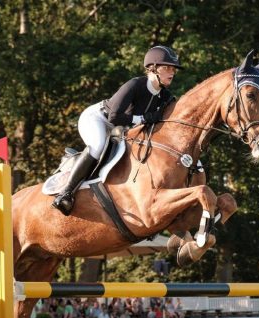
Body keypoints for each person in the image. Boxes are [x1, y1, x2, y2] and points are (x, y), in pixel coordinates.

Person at [52, 45, 183, 215]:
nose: (171, 72)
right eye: (167, 67)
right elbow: (114, 117)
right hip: (98, 119)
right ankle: (66, 193)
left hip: (120, 130)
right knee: (98, 145)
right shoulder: (135, 85)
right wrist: (143, 119)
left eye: (173, 69)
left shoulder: (165, 96)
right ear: (153, 68)